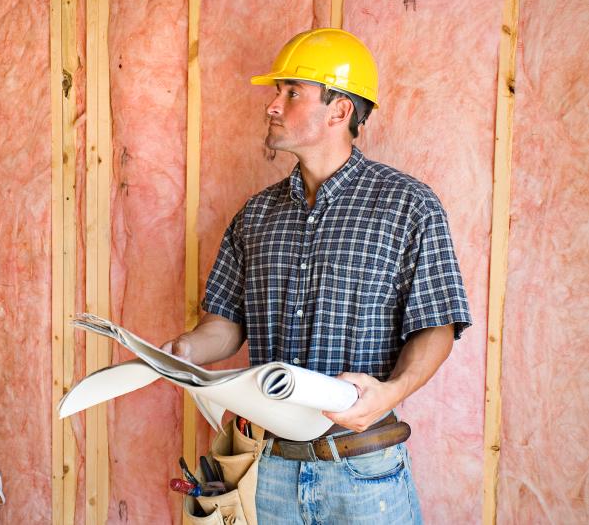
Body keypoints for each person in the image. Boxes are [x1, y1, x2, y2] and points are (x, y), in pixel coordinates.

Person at [162, 28, 472, 524]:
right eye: (276, 92)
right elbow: (225, 327)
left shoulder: (407, 206)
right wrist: (183, 353)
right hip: (268, 473)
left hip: (364, 473)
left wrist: (389, 394)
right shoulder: (255, 216)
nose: (272, 106)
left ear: (339, 110)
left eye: (291, 93)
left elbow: (436, 325)